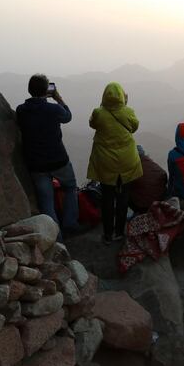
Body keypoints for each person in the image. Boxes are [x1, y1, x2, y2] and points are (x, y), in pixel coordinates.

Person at [16, 73, 81, 240]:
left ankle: (56, 238)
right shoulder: (54, 109)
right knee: (70, 187)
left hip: (36, 164)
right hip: (58, 159)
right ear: (46, 91)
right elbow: (68, 116)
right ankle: (70, 224)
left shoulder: (21, 110)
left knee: (46, 201)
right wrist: (58, 97)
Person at [87, 82, 143, 245]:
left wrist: (103, 106)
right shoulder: (128, 111)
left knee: (107, 198)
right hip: (126, 161)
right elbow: (134, 127)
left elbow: (93, 123)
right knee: (123, 196)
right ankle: (119, 232)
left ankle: (108, 234)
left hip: (106, 163)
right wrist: (124, 105)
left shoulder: (98, 113)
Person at [129, 145, 168, 214]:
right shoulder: (152, 164)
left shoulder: (133, 168)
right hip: (159, 202)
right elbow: (164, 176)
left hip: (142, 206)